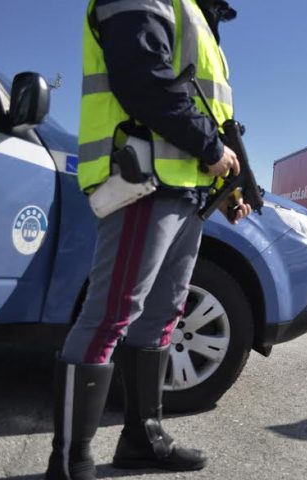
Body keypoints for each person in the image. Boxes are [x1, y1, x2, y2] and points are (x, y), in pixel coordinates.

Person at [46, 1, 249, 478]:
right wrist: (210, 149)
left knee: (162, 316)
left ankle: (142, 439)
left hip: (183, 189)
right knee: (110, 314)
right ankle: (70, 461)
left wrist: (228, 185)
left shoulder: (195, 13)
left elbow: (206, 107)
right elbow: (143, 79)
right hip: (142, 180)